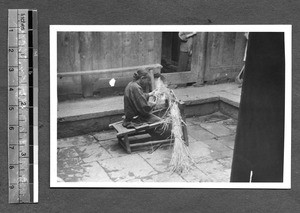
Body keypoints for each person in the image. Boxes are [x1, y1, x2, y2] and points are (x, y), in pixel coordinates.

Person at [123, 69, 171, 140]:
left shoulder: (131, 84)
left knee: (155, 117)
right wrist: (153, 104)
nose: (148, 83)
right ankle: (159, 137)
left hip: (131, 115)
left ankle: (154, 132)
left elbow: (139, 97)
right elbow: (144, 108)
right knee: (162, 124)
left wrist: (150, 94)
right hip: (134, 118)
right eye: (147, 80)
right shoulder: (136, 88)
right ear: (142, 78)